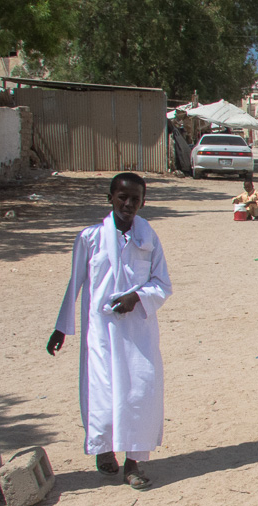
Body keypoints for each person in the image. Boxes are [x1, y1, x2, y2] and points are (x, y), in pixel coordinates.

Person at [46, 173, 172, 489]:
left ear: (143, 202)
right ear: (110, 198)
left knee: (140, 393)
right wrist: (61, 328)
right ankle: (104, 450)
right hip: (101, 332)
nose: (128, 204)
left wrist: (137, 297)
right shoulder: (89, 239)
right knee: (102, 393)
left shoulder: (149, 238)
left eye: (135, 199)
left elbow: (162, 284)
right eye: (122, 197)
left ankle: (134, 463)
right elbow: (74, 284)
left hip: (138, 333)